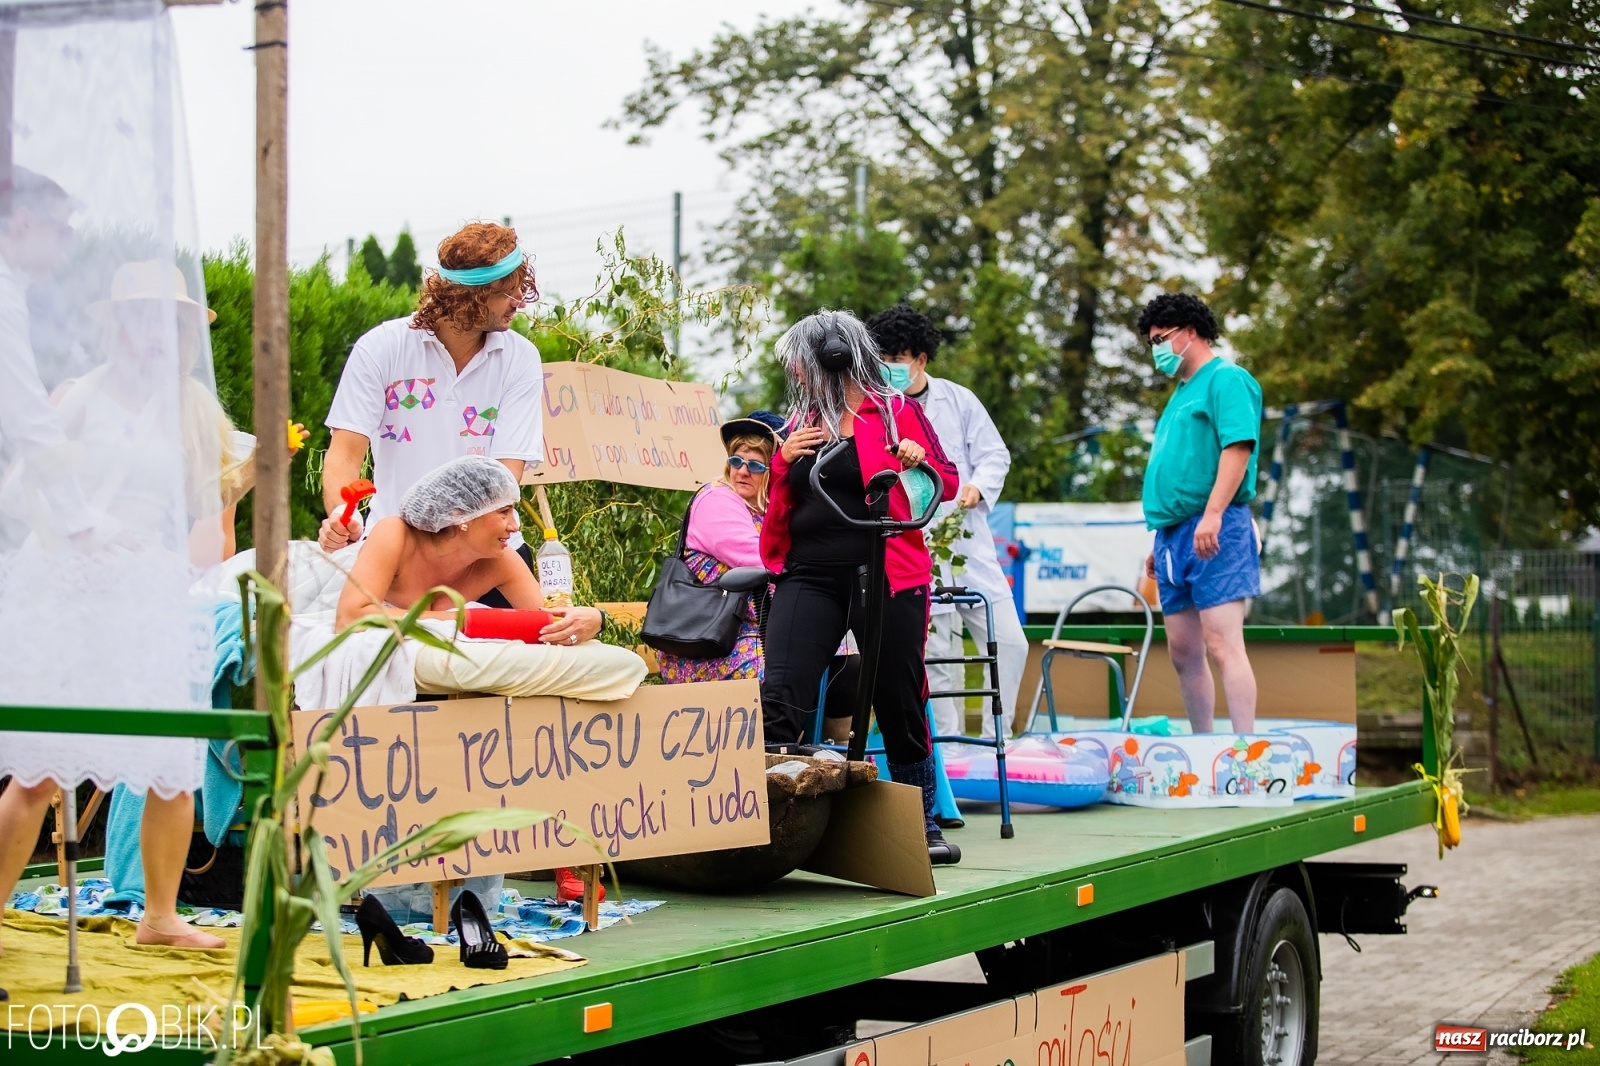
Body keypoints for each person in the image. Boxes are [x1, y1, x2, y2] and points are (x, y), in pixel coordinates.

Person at [0, 175, 226, 964]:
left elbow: (212, 511)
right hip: (71, 588)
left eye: (165, 322)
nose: (150, 336)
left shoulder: (194, 408)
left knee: (172, 761)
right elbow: (23, 488)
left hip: (148, 593)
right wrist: (88, 533)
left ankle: (159, 914)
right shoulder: (76, 396)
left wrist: (189, 570)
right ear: (115, 327)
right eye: (136, 319)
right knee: (39, 769)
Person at [319, 222, 601, 628]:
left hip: (489, 555)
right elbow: (345, 454)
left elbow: (505, 476)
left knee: (527, 657)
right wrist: (341, 516)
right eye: (508, 292)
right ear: (470, 294)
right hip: (399, 559)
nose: (519, 303)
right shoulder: (381, 348)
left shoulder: (520, 358)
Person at [758, 310, 961, 862]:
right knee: (782, 690)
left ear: (834, 357)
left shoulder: (895, 412)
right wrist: (783, 461)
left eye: (802, 361)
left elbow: (946, 482)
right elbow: (784, 502)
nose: (796, 372)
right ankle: (772, 824)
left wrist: (916, 462)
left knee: (899, 695)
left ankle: (920, 824)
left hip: (887, 571)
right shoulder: (801, 421)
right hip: (809, 572)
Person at [337, 455, 647, 699]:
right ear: (461, 515)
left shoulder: (501, 560)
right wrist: (458, 620)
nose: (515, 526)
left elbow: (548, 623)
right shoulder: (395, 534)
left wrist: (595, 618)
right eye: (504, 512)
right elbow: (350, 616)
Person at [866, 304, 1027, 742]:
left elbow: (994, 454)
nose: (889, 367)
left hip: (966, 539)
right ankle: (948, 748)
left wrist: (977, 486)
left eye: (898, 358)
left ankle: (998, 737)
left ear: (921, 359)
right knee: (935, 651)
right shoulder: (876, 410)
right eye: (882, 358)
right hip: (914, 542)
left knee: (1010, 641)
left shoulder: (958, 400)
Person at [1136, 292, 1263, 734]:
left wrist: (1213, 514)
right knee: (1183, 651)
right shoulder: (1180, 394)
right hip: (1173, 535)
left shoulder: (1226, 379)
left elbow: (1238, 447)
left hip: (1215, 526)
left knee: (1223, 644)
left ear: (1190, 332)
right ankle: (1202, 742)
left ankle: (1246, 749)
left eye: (1161, 339)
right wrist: (1161, 539)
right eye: (1152, 342)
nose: (1157, 350)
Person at [656, 412, 785, 684]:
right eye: (736, 461)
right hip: (707, 644)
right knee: (788, 674)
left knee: (843, 658)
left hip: (752, 635)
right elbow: (764, 561)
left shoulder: (768, 508)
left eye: (755, 465)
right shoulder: (717, 499)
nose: (742, 471)